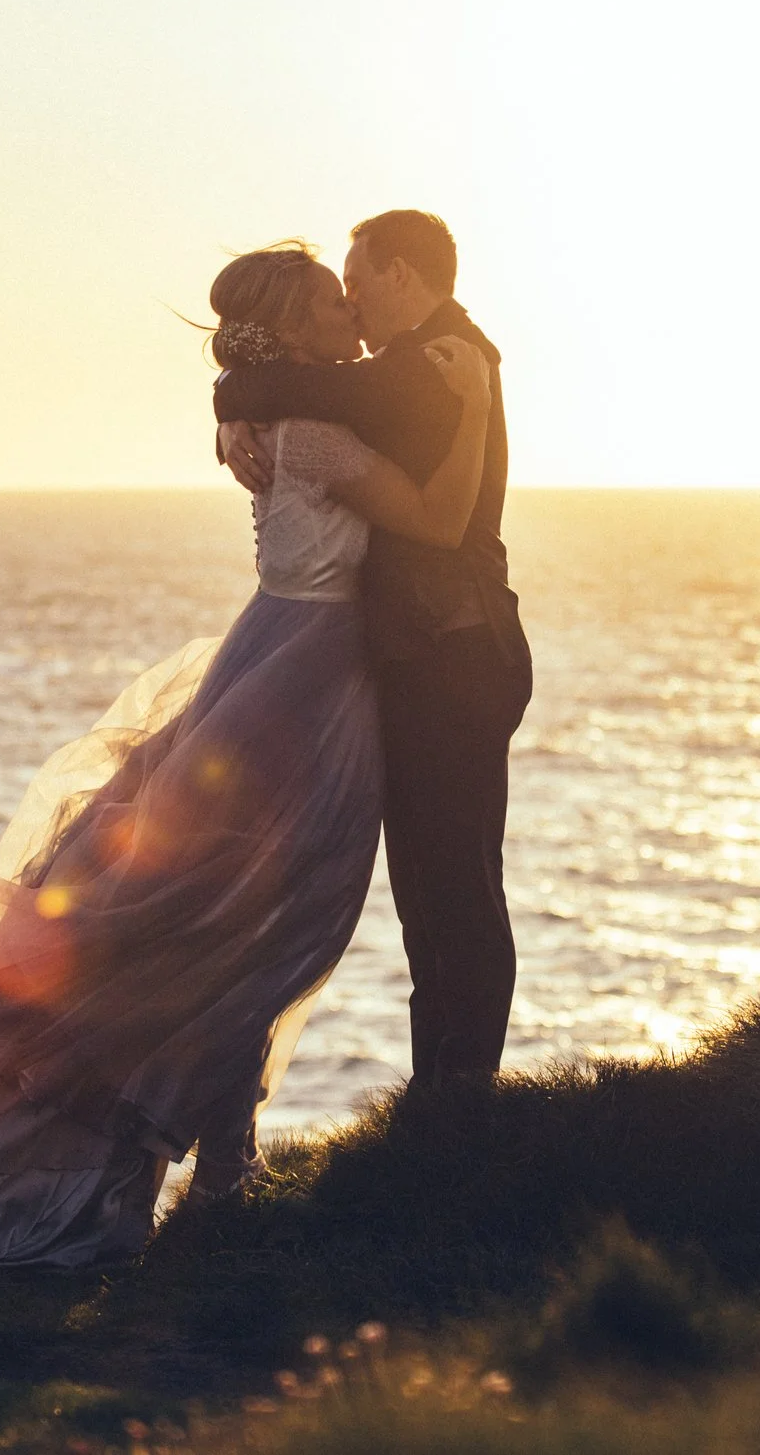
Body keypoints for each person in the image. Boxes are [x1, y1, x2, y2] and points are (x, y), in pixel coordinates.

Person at [0, 243, 492, 1267]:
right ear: (296, 329)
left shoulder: (275, 418)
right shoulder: (315, 434)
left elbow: (279, 399)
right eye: (328, 301)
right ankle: (219, 1174)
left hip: (279, 668)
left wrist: (230, 404)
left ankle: (223, 1171)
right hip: (297, 691)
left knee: (243, 930)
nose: (349, 311)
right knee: (263, 930)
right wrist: (475, 401)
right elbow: (438, 520)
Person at [214, 210, 530, 1088]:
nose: (351, 300)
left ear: (400, 275)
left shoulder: (435, 363)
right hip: (436, 652)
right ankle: (443, 1107)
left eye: (358, 281)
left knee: (457, 896)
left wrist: (232, 398)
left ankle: (458, 1114)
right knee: (435, 899)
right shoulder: (425, 356)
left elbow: (315, 398)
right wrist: (231, 410)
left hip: (456, 655)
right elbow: (305, 398)